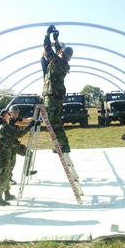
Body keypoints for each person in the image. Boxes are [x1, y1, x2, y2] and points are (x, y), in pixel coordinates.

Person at [0, 109, 35, 206]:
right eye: (7, 114)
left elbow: (17, 128)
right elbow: (19, 133)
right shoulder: (4, 127)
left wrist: (29, 123)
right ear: (2, 117)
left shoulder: (7, 125)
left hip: (7, 153)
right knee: (2, 176)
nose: (9, 114)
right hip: (2, 155)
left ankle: (7, 194)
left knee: (8, 173)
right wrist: (30, 125)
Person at [42, 25, 73, 153]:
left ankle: (62, 145)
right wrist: (57, 39)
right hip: (57, 95)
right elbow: (59, 51)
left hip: (51, 94)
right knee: (56, 121)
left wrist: (47, 35)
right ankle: (61, 144)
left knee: (51, 122)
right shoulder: (64, 63)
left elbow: (47, 49)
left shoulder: (56, 61)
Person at [8, 105, 36, 185]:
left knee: (29, 153)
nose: (16, 114)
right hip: (8, 145)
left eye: (17, 112)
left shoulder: (16, 118)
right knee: (11, 163)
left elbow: (26, 119)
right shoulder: (10, 120)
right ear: (10, 113)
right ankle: (8, 179)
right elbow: (22, 124)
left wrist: (34, 118)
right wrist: (30, 124)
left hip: (15, 144)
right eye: (14, 112)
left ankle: (26, 171)